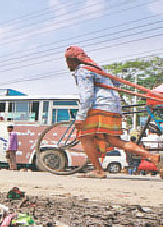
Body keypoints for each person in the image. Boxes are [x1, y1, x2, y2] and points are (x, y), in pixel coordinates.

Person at [65, 46, 162, 178]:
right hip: (114, 105)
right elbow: (117, 84)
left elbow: (87, 95)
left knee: (85, 137)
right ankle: (151, 156)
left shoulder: (82, 71)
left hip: (99, 106)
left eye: (67, 61)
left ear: (73, 60)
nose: (67, 65)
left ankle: (98, 170)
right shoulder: (97, 68)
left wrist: (81, 116)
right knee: (114, 140)